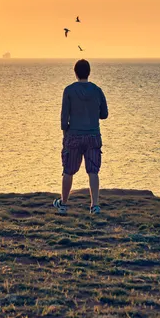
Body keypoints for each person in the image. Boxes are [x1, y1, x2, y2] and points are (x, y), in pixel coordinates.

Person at [53, 59, 108, 215]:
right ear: (89, 72)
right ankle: (95, 206)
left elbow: (64, 117)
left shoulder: (69, 90)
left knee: (68, 171)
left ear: (75, 72)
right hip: (93, 135)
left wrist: (65, 135)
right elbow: (104, 114)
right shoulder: (97, 90)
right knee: (93, 171)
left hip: (74, 135)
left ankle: (63, 204)